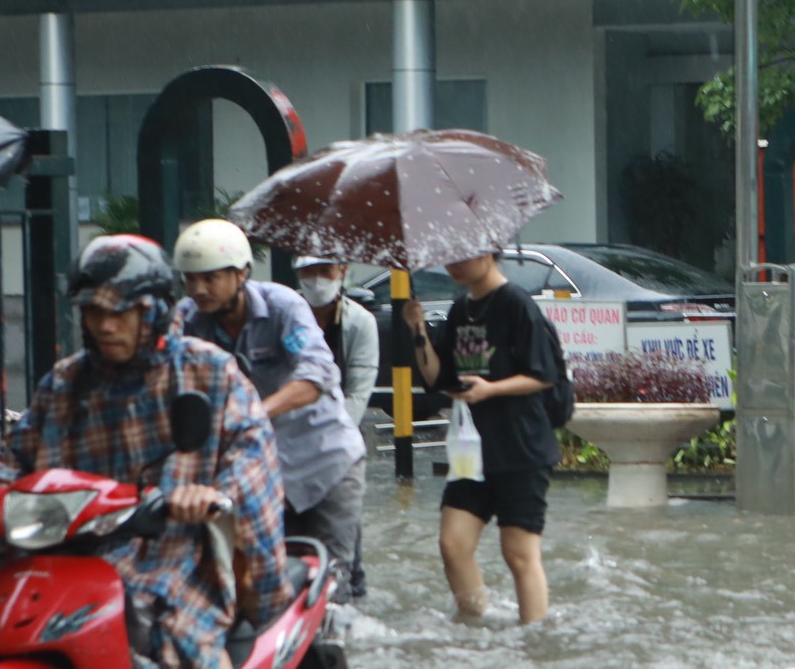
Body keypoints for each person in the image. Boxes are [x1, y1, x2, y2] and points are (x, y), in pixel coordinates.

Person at [0, 236, 292, 669]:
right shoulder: (65, 382)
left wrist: (210, 496)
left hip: (173, 546)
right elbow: (16, 456)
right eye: (93, 311)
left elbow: (251, 454)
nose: (105, 325)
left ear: (151, 312)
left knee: (179, 628)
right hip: (74, 547)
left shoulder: (208, 371)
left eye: (120, 312)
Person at [173, 221, 368, 599]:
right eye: (190, 280)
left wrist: (256, 412)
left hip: (326, 461)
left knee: (332, 586)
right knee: (271, 580)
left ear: (241, 273)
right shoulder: (186, 318)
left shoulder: (283, 306)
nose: (199, 290)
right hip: (261, 472)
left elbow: (316, 375)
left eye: (210, 279)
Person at [399, 252, 563, 624]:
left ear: (489, 254)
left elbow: (542, 374)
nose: (451, 264)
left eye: (462, 256)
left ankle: (533, 637)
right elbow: (436, 378)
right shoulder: (461, 311)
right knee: (452, 544)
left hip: (521, 448)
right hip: (472, 452)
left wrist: (490, 389)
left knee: (518, 553)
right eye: (449, 256)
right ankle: (476, 624)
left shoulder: (516, 304)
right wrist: (419, 332)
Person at [297, 255, 382, 597]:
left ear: (341, 272)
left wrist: (328, 438)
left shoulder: (360, 323)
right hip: (290, 438)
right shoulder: (286, 315)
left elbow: (359, 389)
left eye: (325, 272)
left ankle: (348, 597)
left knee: (343, 534)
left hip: (340, 438)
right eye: (309, 272)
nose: (317, 280)